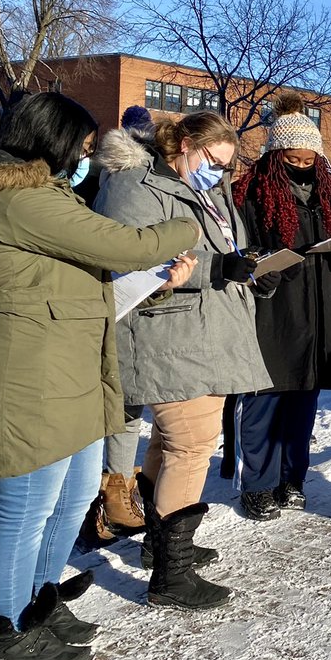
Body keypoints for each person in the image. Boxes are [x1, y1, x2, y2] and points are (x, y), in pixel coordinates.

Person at [0, 92, 201, 660]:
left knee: (74, 496)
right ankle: (6, 634)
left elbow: (85, 277)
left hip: (72, 370)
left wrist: (151, 284)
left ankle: (40, 602)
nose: (86, 157)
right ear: (50, 140)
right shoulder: (16, 198)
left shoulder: (50, 196)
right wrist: (189, 220)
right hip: (31, 378)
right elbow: (125, 244)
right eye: (81, 146)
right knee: (25, 510)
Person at [94, 111, 275, 610]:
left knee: (170, 443)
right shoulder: (134, 184)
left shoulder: (207, 189)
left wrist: (252, 269)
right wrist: (220, 268)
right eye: (214, 161)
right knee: (191, 445)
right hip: (164, 333)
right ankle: (171, 575)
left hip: (205, 332)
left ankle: (161, 545)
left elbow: (228, 247)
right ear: (185, 144)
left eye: (227, 166)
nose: (219, 172)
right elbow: (130, 258)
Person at [231, 97, 331, 521]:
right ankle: (257, 484)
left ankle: (292, 478)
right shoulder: (251, 195)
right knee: (265, 398)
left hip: (319, 308)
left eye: (309, 160)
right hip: (273, 309)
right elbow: (238, 251)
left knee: (304, 400)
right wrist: (259, 269)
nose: (302, 166)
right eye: (293, 159)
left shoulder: (327, 196)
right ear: (275, 155)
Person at [75, 103, 161, 548]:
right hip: (112, 301)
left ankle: (112, 494)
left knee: (120, 405)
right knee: (117, 406)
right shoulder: (127, 179)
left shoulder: (99, 174)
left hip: (113, 299)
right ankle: (103, 502)